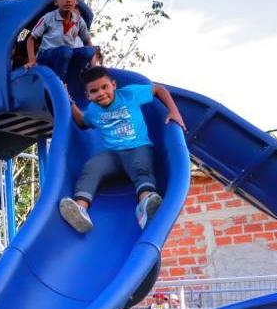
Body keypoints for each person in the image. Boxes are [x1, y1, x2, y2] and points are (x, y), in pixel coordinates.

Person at [59, 66, 186, 233]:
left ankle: (145, 204)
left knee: (141, 168)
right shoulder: (93, 110)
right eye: (94, 91)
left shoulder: (129, 95)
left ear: (113, 85)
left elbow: (158, 89)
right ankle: (80, 209)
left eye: (105, 87)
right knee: (92, 167)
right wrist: (69, 102)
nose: (101, 93)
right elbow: (83, 123)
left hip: (137, 147)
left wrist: (174, 111)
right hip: (112, 156)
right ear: (88, 95)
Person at [24, 0, 96, 83]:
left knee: (88, 51)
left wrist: (94, 67)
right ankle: (60, 83)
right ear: (56, 2)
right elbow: (31, 39)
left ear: (76, 2)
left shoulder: (79, 20)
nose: (68, 0)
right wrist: (32, 60)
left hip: (67, 56)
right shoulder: (48, 18)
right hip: (47, 56)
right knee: (65, 51)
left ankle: (73, 79)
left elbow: (87, 41)